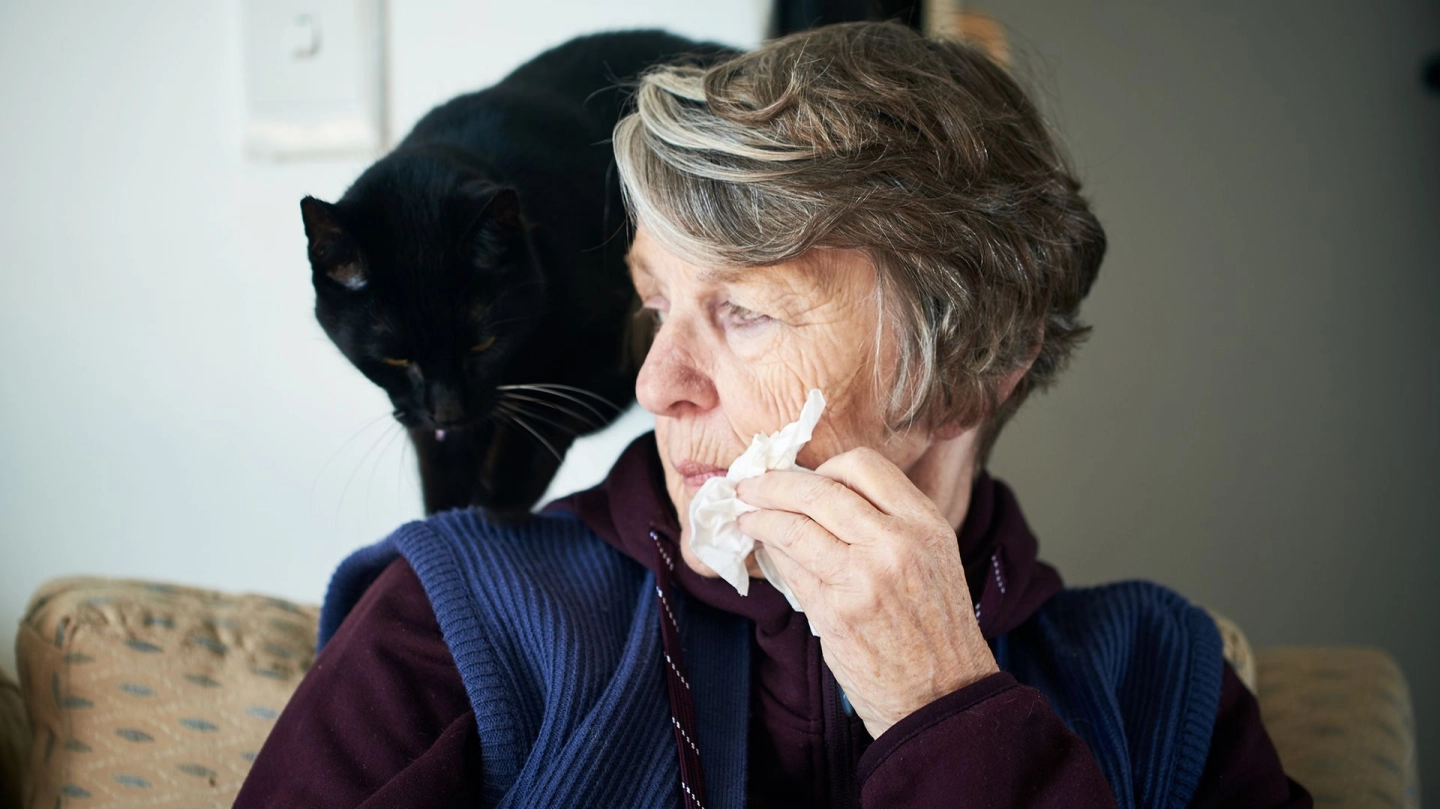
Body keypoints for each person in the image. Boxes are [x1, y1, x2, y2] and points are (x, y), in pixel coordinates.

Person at [236, 22, 1310, 808]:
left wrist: (949, 714)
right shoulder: (455, 617)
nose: (657, 386)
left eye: (743, 309)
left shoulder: (1159, 678)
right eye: (656, 303)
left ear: (974, 367)